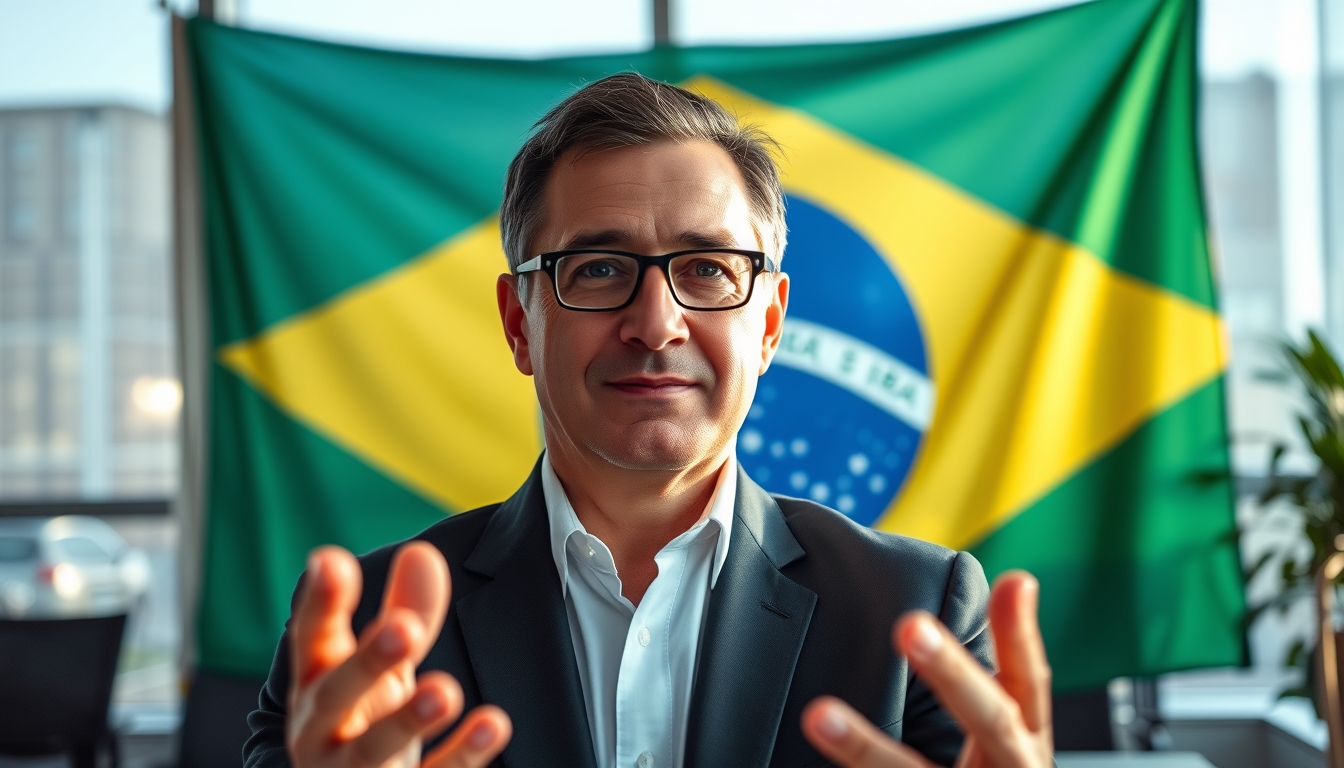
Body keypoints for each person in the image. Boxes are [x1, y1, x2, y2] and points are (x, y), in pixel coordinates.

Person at [242, 73, 1053, 768]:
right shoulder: (364, 631)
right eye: (597, 269)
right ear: (520, 323)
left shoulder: (918, 609)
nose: (655, 321)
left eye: (707, 268)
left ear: (769, 325)